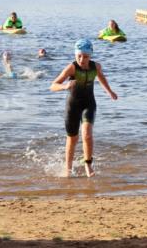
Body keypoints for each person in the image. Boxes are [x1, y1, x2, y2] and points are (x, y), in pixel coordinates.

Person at [50, 38, 117, 177]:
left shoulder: (96, 66)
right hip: (72, 106)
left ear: (90, 55)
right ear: (75, 55)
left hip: (88, 104)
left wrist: (109, 91)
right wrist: (64, 86)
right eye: (78, 56)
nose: (81, 59)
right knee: (72, 139)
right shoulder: (72, 68)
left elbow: (101, 78)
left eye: (85, 56)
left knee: (87, 134)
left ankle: (88, 164)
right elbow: (53, 85)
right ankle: (68, 170)